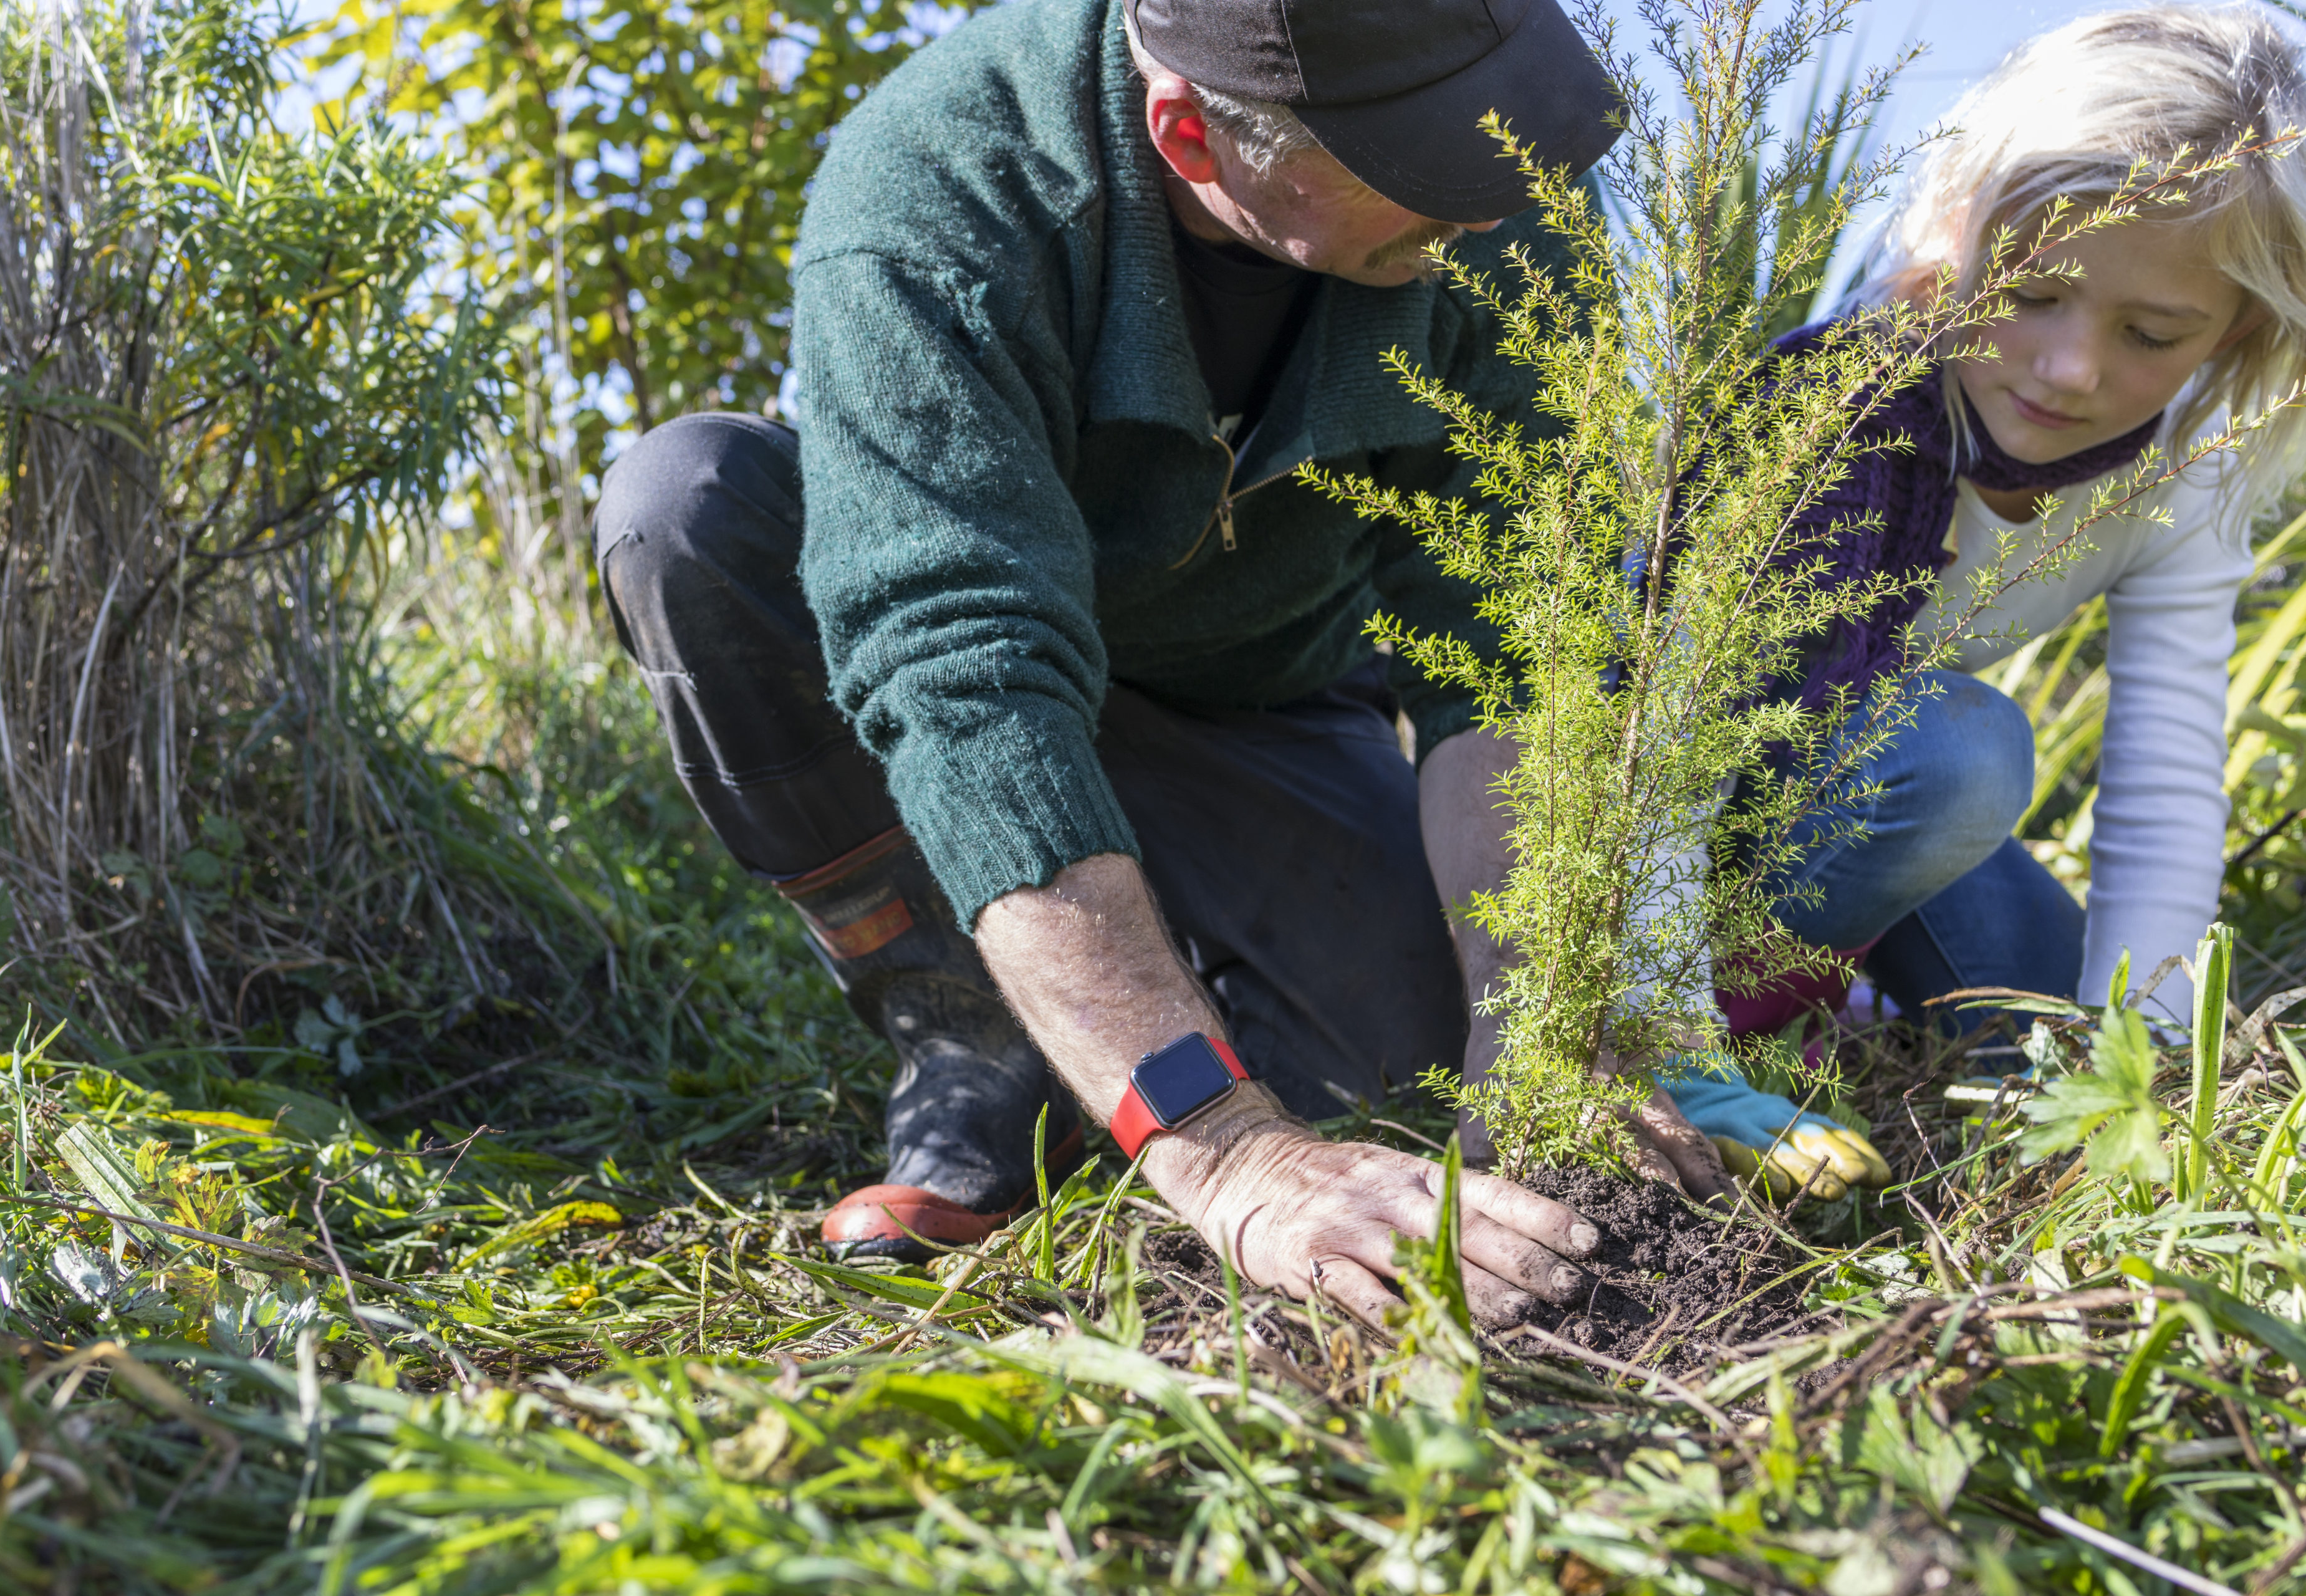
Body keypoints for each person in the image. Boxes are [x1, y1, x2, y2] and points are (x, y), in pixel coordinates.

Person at [593, 0, 1742, 1332]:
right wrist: (1227, 1146)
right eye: (1415, 163)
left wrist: (1533, 1008)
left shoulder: (1503, 185)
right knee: (686, 506)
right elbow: (964, 677)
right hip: (987, 679)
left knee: (1406, 1079)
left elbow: (1513, 647)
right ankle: (980, 1041)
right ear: (1192, 132)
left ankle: (1137, 1005)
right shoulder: (937, 182)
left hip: (1266, 702)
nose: (1491, 200)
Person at [1663, 2, 2306, 1200]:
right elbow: (1658, 746)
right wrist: (1668, 1044)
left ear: (2240, 334)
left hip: (1863, 813)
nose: (2071, 370)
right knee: (1961, 749)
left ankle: (1950, 1105)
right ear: (1958, 238)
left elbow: (2166, 775)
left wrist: (2142, 1073)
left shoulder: (2186, 477)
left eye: (2151, 332)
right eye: (2032, 296)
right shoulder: (1827, 426)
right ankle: (1756, 1019)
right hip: (1659, 821)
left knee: (2068, 1019)